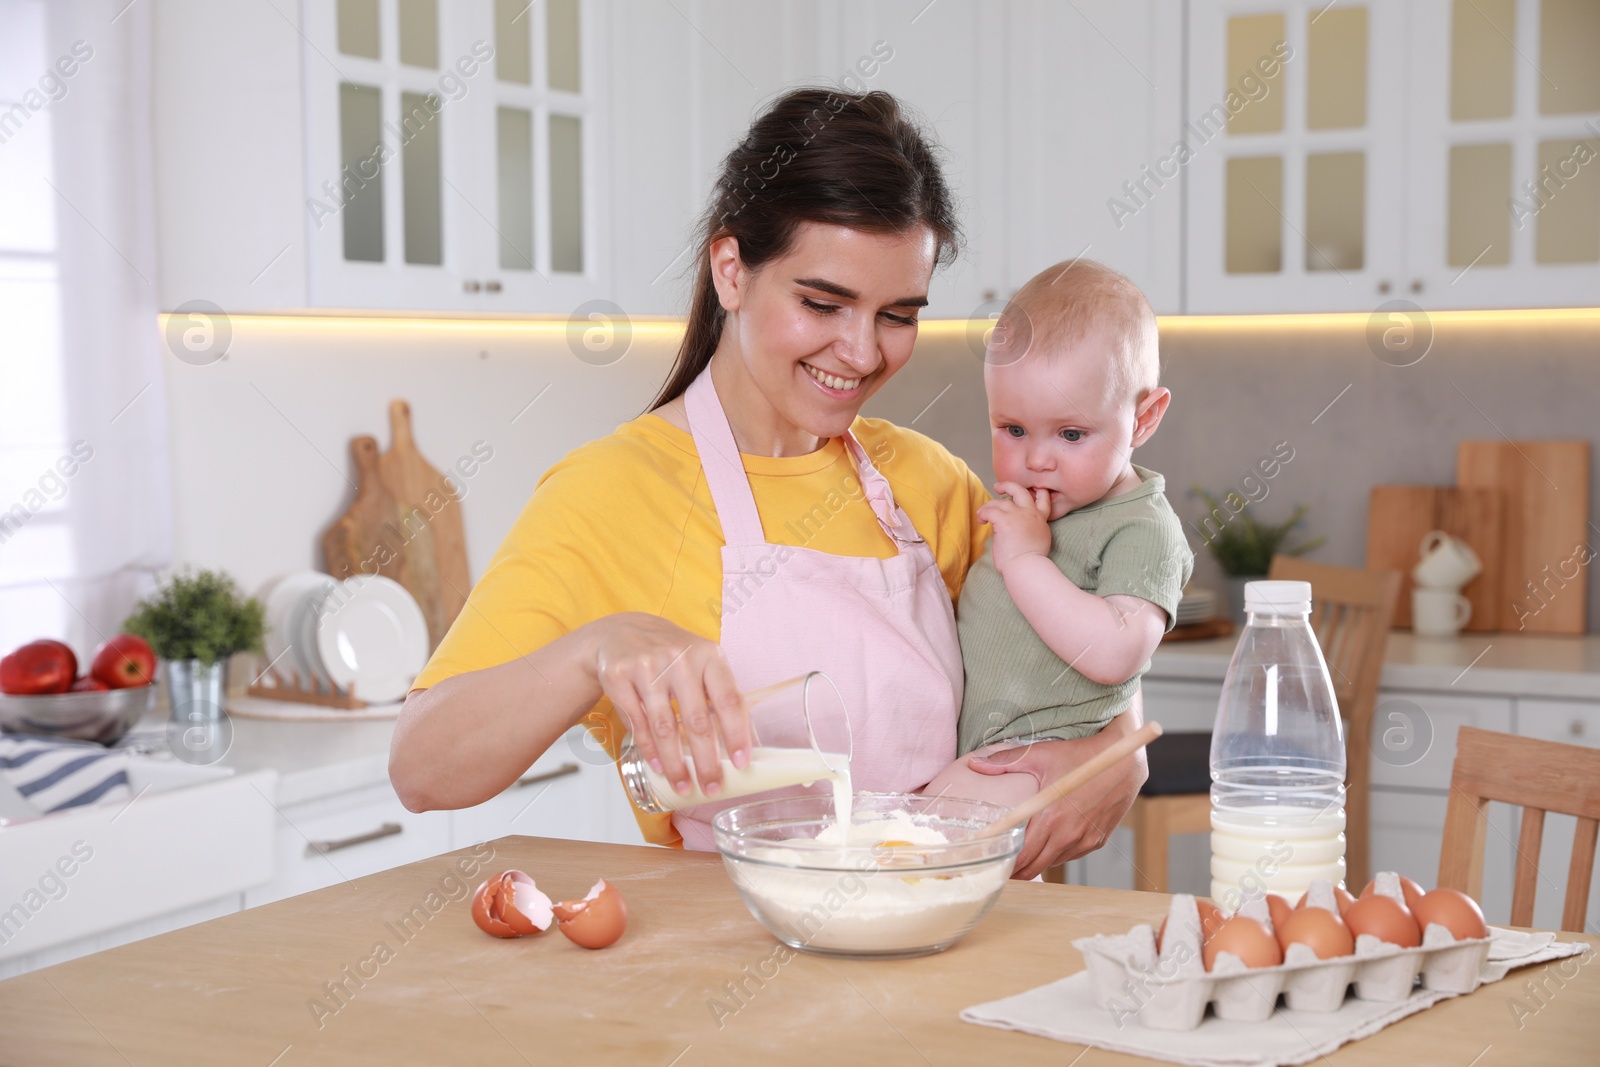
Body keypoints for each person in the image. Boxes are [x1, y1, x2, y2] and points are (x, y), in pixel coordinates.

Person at [388, 88, 1149, 879]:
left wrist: (1118, 750)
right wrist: (596, 649)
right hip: (730, 967)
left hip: (942, 942)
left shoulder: (928, 483)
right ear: (731, 271)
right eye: (823, 302)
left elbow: (1087, 650)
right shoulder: (611, 494)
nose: (860, 352)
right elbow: (422, 767)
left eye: (897, 314)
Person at [922, 260, 1193, 809]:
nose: (1037, 459)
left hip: (1043, 753)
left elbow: (1118, 653)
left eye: (1071, 434)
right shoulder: (1032, 508)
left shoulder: (1143, 528)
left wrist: (1024, 560)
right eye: (1013, 429)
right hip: (979, 749)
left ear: (1144, 419)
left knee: (924, 834)